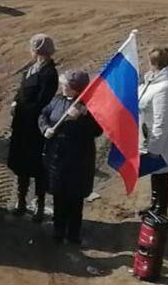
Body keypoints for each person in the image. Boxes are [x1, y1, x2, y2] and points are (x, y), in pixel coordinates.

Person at [40, 70, 101, 245]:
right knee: (59, 195)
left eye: (65, 85)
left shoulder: (88, 106)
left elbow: (97, 131)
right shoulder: (58, 100)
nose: (62, 88)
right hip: (57, 158)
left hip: (78, 161)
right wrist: (45, 128)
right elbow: (43, 114)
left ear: (75, 89)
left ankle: (73, 233)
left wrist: (84, 116)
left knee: (75, 199)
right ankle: (58, 230)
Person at [7, 33, 59, 221]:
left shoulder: (49, 74)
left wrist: (22, 109)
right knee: (22, 164)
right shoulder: (33, 68)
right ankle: (21, 200)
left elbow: (42, 102)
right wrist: (15, 102)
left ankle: (39, 204)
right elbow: (21, 91)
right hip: (22, 126)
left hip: (35, 126)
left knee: (37, 167)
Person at [138, 46, 168, 217]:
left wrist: (155, 149)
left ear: (153, 63)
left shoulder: (166, 87)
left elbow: (162, 121)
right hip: (151, 136)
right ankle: (154, 205)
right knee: (156, 173)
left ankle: (160, 209)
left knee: (162, 173)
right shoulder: (153, 81)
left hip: (162, 139)